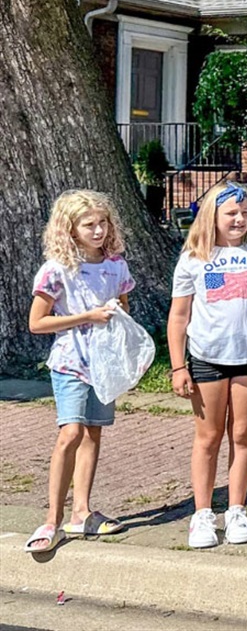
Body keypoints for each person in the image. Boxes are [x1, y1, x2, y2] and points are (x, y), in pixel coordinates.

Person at [167, 182, 247, 550]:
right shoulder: (193, 258)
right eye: (231, 213)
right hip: (207, 359)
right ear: (213, 217)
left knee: (243, 434)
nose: (239, 219)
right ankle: (203, 513)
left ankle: (237, 509)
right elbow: (178, 316)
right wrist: (178, 366)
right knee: (208, 437)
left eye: (245, 213)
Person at [24, 190, 135, 553]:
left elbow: (122, 308)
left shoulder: (115, 265)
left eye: (103, 223)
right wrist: (87, 316)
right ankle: (51, 518)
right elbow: (37, 322)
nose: (99, 230)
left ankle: (82, 512)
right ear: (70, 229)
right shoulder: (57, 270)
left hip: (103, 363)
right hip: (71, 361)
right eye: (90, 225)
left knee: (92, 433)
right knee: (70, 432)